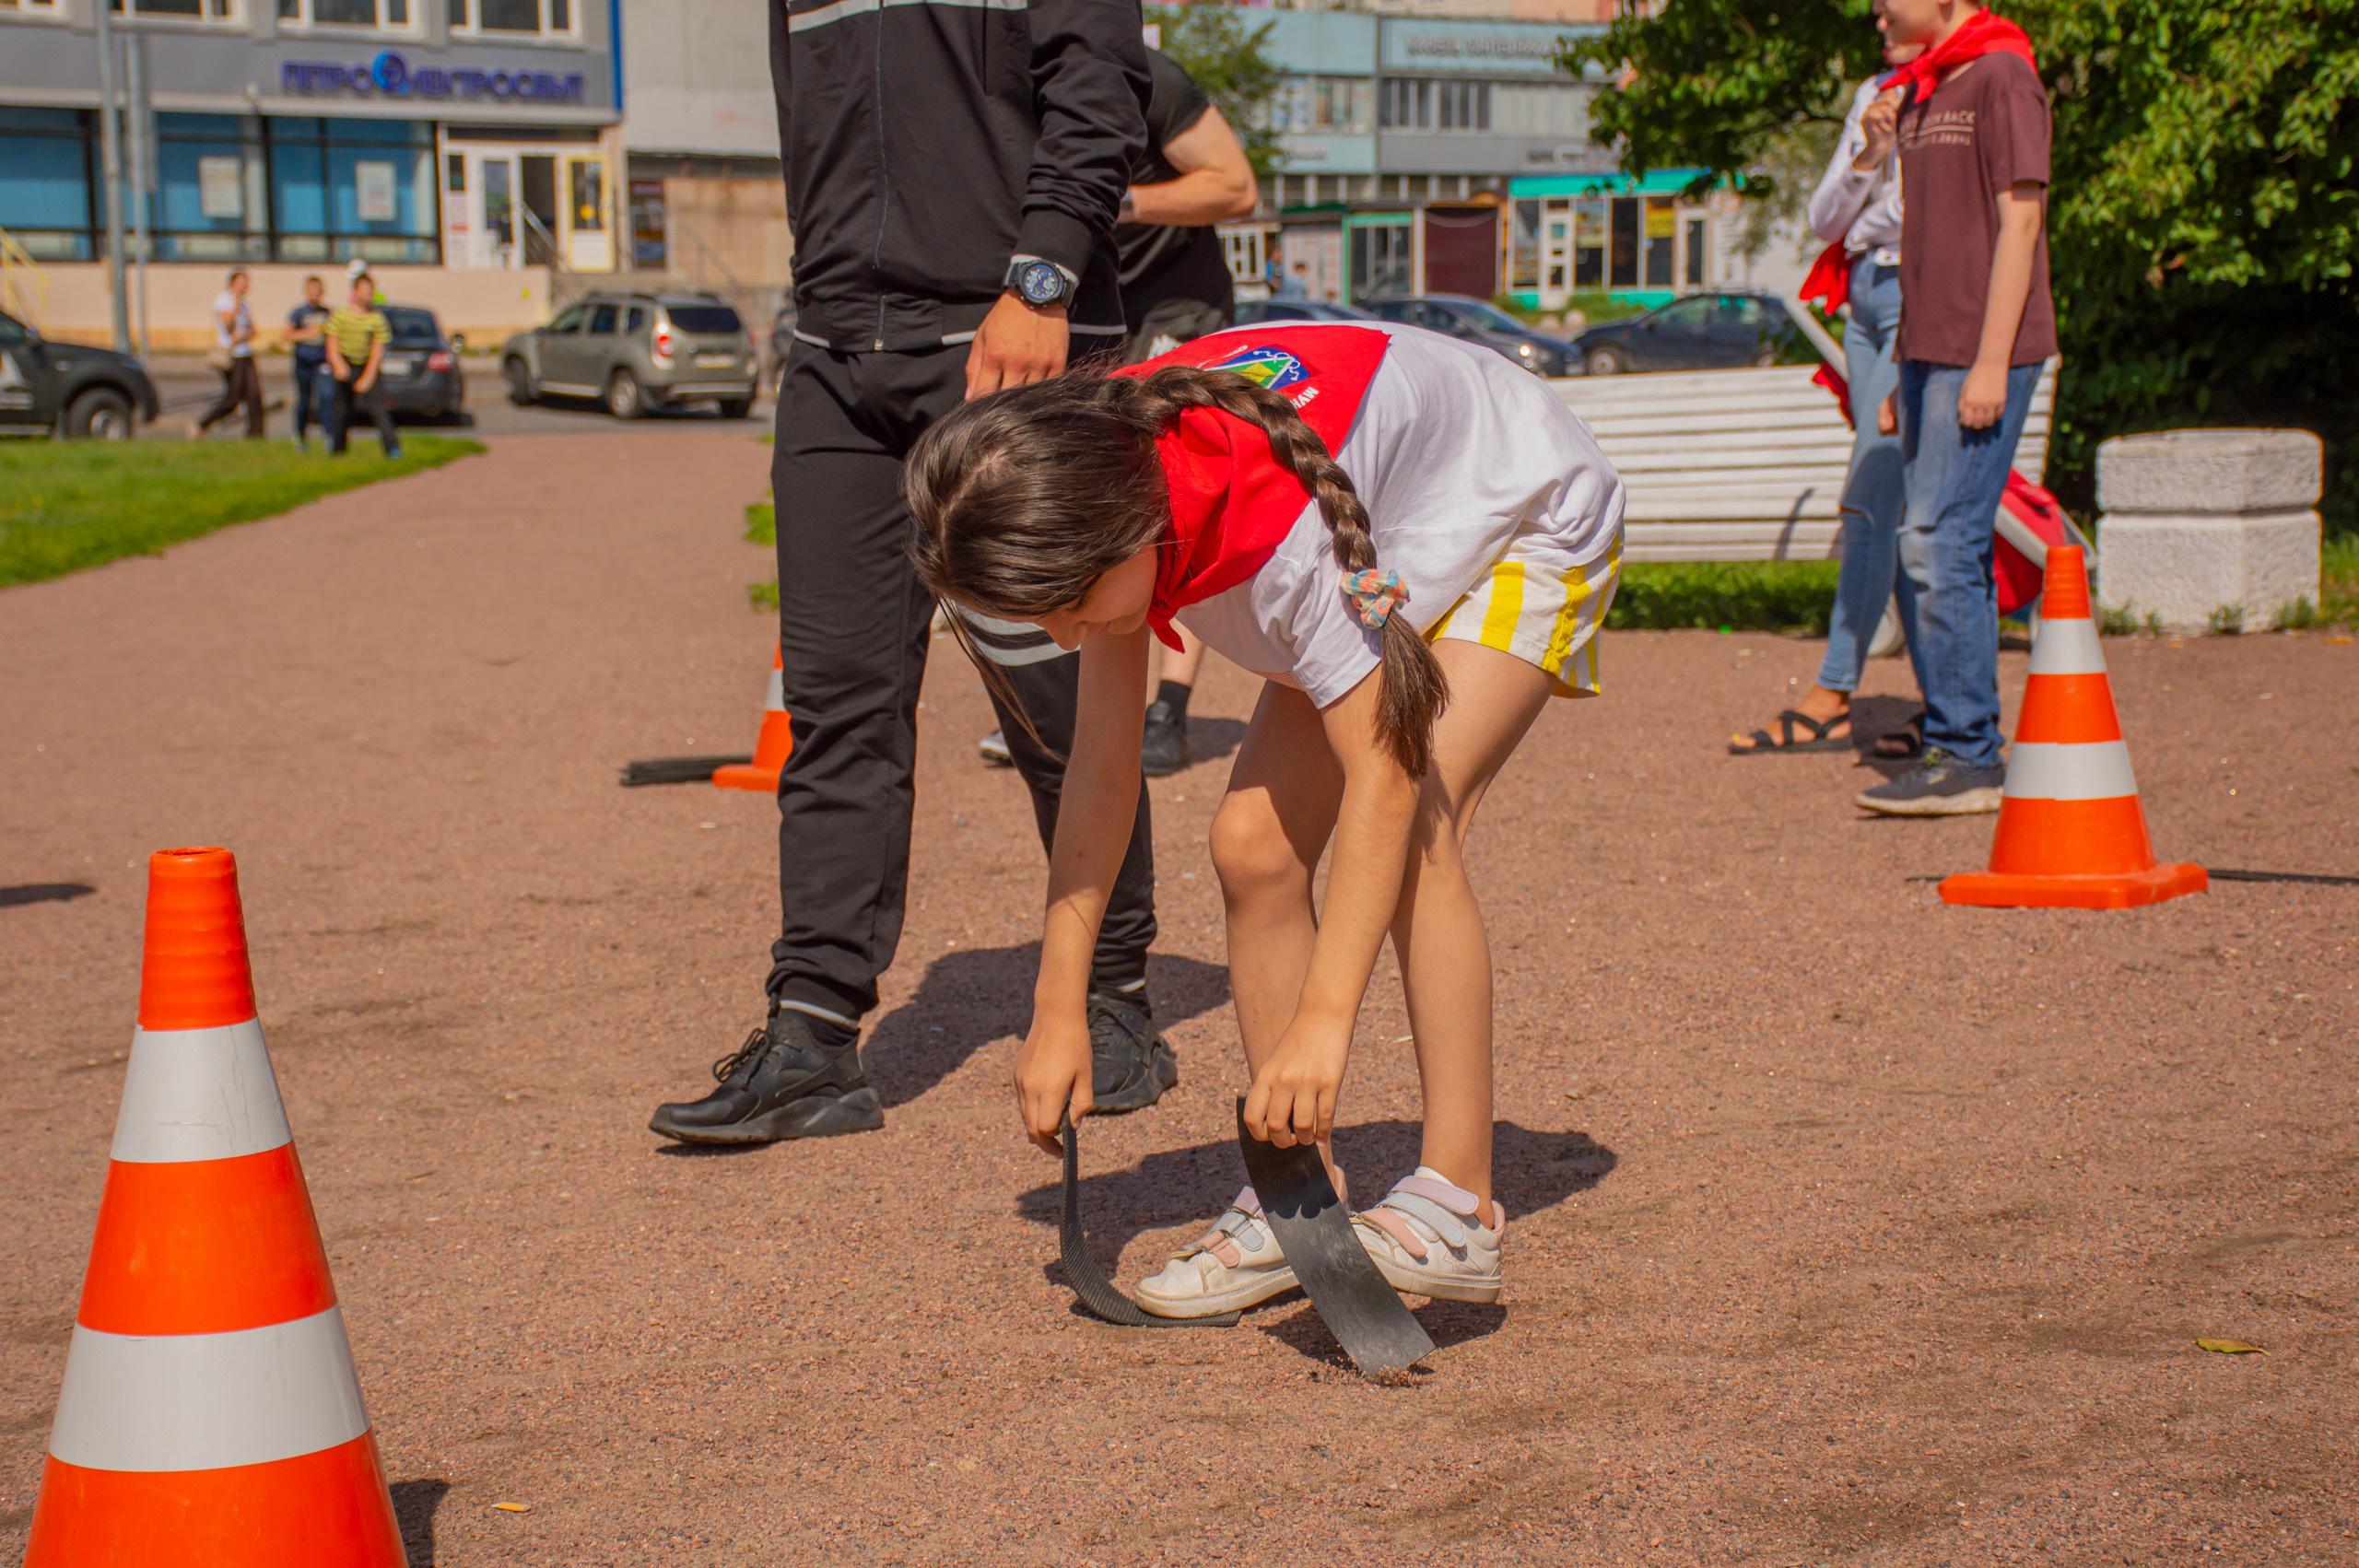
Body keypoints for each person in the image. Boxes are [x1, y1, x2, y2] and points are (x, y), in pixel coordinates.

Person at [906, 319, 1625, 1313]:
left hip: (1519, 511)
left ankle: (1459, 1203)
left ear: (1122, 530)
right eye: (1039, 621)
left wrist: (1324, 1027)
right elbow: (1104, 766)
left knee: (1418, 830)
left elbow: (1382, 779)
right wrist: (1056, 1004)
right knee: (1251, 843)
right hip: (1385, 530)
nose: (1068, 632)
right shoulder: (1108, 486)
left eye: (1070, 605)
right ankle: (1299, 1196)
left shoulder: (1280, 540)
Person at [643, 0, 1162, 1144]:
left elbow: (1099, 81)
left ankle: (1116, 994)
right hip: (835, 351)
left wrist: (1043, 279)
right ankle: (814, 1034)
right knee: (836, 703)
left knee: (1056, 691)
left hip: (1004, 328)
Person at [1854, 0, 2051, 815]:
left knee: (1943, 543)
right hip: (1928, 351)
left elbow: (2022, 222)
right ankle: (1956, 741)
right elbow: (1919, 246)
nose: (1876, 12)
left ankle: (1969, 754)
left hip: (1983, 350)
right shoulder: (1922, 93)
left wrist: (1991, 363)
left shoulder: (2003, 75)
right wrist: (1906, 367)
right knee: (1925, 545)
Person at [1729, 29, 1925, 755]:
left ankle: (1835, 689)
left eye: (1887, 7)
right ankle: (1937, 702)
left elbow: (1939, 217)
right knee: (1888, 503)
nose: (1878, 19)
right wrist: (1872, 151)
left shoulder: (1959, 90)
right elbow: (1824, 221)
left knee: (1872, 496)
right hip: (1867, 294)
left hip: (1915, 286)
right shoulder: (1874, 95)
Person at [322, 273, 401, 460]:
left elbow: (377, 350)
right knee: (341, 412)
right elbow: (331, 342)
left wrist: (367, 377)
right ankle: (338, 452)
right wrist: (339, 365)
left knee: (379, 410)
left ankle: (393, 450)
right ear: (355, 292)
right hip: (345, 364)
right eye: (364, 292)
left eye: (370, 292)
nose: (368, 295)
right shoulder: (340, 314)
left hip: (367, 365)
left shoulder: (377, 319)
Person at [190, 270, 264, 440]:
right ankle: (201, 425)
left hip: (245, 353)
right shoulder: (224, 300)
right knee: (233, 398)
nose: (245, 287)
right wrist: (236, 304)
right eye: (241, 283)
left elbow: (253, 330)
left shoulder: (246, 305)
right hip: (231, 356)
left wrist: (245, 333)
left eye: (246, 284)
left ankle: (256, 435)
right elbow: (227, 324)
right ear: (232, 284)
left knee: (254, 395)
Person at [286, 275, 332, 451]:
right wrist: (307, 334)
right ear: (306, 293)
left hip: (321, 363)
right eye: (311, 293)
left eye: (317, 293)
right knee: (304, 401)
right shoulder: (299, 313)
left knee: (326, 398)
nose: (314, 296)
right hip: (303, 363)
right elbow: (287, 334)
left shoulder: (327, 313)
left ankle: (328, 436)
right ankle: (300, 436)